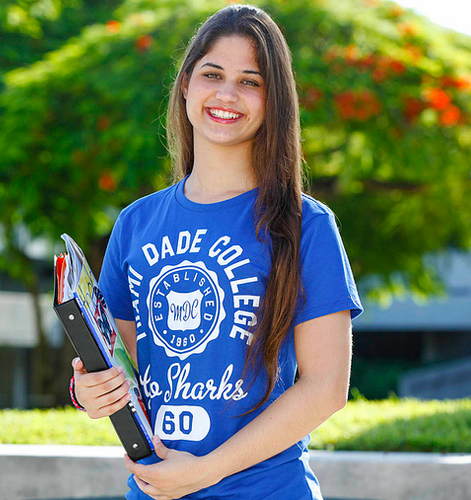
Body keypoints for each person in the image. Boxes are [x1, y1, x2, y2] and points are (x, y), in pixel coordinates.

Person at [70, 4, 363, 499]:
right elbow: (122, 365)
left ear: (274, 101)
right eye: (212, 74)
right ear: (185, 84)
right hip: (155, 489)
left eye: (251, 81)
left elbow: (326, 388)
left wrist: (208, 470)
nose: (227, 94)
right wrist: (89, 392)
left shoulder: (306, 225)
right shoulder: (136, 223)